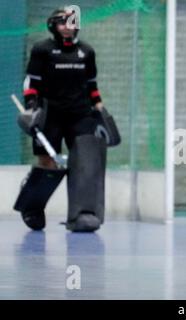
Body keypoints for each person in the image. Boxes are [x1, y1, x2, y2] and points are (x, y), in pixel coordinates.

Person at [13, 6, 109, 232]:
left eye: (72, 23)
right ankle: (32, 207)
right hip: (50, 115)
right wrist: (31, 109)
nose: (68, 27)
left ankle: (83, 214)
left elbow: (92, 86)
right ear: (53, 25)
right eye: (63, 23)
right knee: (48, 163)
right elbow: (31, 84)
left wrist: (101, 110)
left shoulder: (87, 52)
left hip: (80, 115)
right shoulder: (42, 50)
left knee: (85, 164)